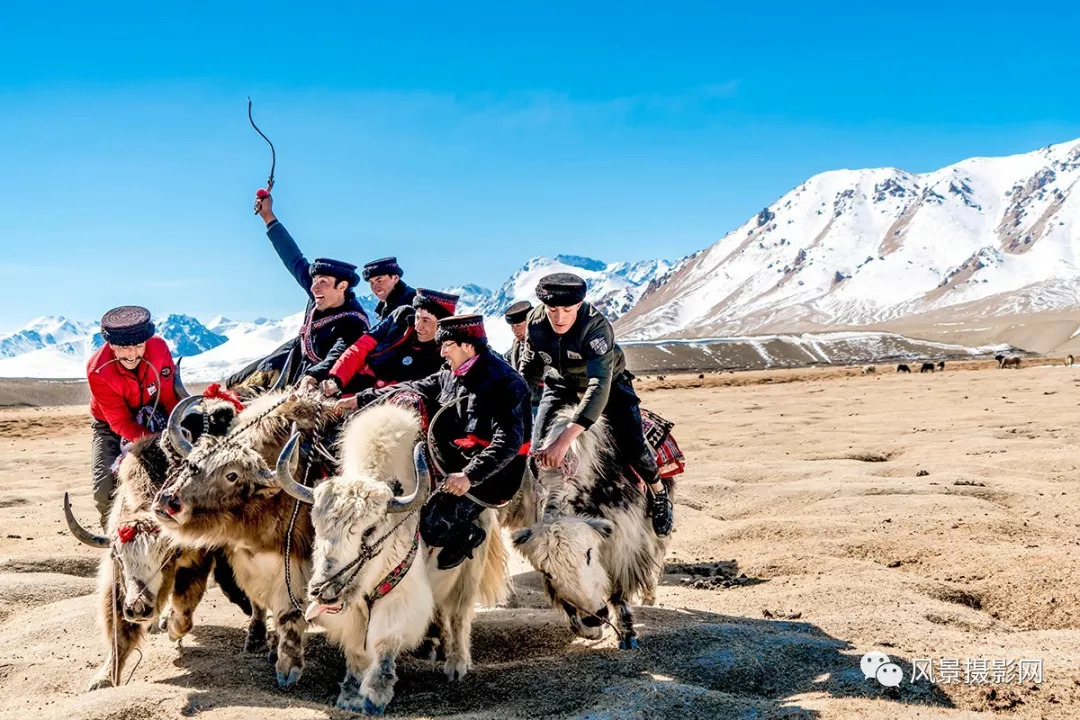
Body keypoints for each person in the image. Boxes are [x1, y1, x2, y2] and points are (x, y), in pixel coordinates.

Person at [352, 315, 530, 569]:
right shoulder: (450, 374)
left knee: (432, 527)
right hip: (452, 459)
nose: (442, 352)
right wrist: (359, 399)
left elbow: (507, 442)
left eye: (447, 345)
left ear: (468, 346)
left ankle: (468, 535)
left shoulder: (505, 382)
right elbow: (412, 386)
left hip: (492, 476)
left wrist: (469, 476)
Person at [520, 273, 673, 537]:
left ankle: (659, 494)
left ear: (579, 305)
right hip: (560, 385)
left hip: (610, 386)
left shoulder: (596, 328)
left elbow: (598, 386)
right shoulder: (535, 323)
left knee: (633, 445)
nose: (559, 318)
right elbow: (528, 373)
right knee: (535, 450)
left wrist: (564, 440)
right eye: (552, 309)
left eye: (567, 310)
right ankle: (551, 505)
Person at [226, 193, 370, 392]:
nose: (313, 287)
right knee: (235, 383)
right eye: (314, 282)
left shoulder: (355, 323)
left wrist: (312, 376)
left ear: (342, 286)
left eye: (323, 282)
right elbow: (293, 257)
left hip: (317, 381)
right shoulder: (320, 296)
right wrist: (268, 216)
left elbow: (338, 355)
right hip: (289, 359)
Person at [87, 306, 182, 528]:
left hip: (156, 413)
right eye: (123, 348)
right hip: (110, 426)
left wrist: (174, 435)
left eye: (139, 346)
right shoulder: (97, 370)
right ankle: (116, 541)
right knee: (103, 491)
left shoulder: (158, 348)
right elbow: (120, 422)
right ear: (110, 344)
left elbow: (169, 399)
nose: (132, 355)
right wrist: (157, 443)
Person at [321, 289, 458, 405]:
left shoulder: (447, 355)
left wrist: (365, 400)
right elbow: (360, 348)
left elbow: (420, 390)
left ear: (441, 324)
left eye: (426, 320)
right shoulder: (400, 319)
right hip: (352, 388)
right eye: (417, 317)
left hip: (387, 405)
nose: (418, 325)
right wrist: (336, 379)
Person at [363, 256, 416, 321]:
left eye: (379, 281)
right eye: (371, 283)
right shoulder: (385, 307)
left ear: (395, 278)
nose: (375, 288)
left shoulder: (413, 302)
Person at [503, 300, 532, 368]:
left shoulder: (543, 345)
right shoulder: (517, 344)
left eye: (518, 326)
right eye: (512, 326)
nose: (514, 330)